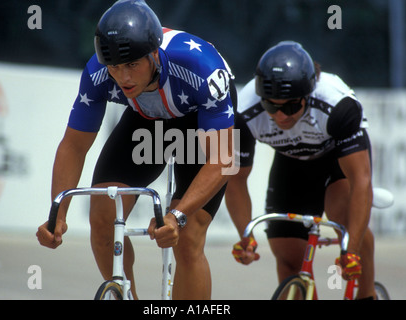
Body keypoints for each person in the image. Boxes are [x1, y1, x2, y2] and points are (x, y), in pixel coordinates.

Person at [36, 0, 237, 300]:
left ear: (154, 54)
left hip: (200, 121)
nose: (124, 77)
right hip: (146, 120)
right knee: (103, 218)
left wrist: (178, 216)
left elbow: (223, 158)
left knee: (187, 236)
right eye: (115, 67)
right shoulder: (98, 73)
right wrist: (57, 214)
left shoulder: (202, 68)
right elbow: (74, 146)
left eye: (132, 65)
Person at [226, 41, 377, 299]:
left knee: (342, 219)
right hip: (291, 164)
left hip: (335, 160)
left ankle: (366, 294)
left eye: (291, 106)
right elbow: (235, 180)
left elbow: (361, 181)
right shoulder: (243, 113)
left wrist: (350, 249)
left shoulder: (338, 105)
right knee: (287, 256)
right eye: (272, 107)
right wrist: (245, 235)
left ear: (309, 94)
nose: (282, 116)